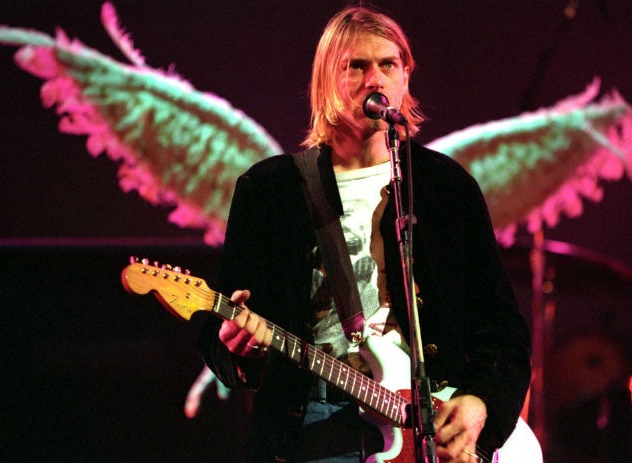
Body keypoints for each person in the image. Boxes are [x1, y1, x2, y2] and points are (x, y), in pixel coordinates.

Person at [197, 6, 532, 462]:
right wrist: (240, 349)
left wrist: (481, 403)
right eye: (356, 66)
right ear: (326, 80)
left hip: (430, 430)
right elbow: (219, 332)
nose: (375, 79)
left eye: (387, 64)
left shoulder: (445, 188)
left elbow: (503, 328)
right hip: (315, 428)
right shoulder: (270, 191)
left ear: (405, 76)